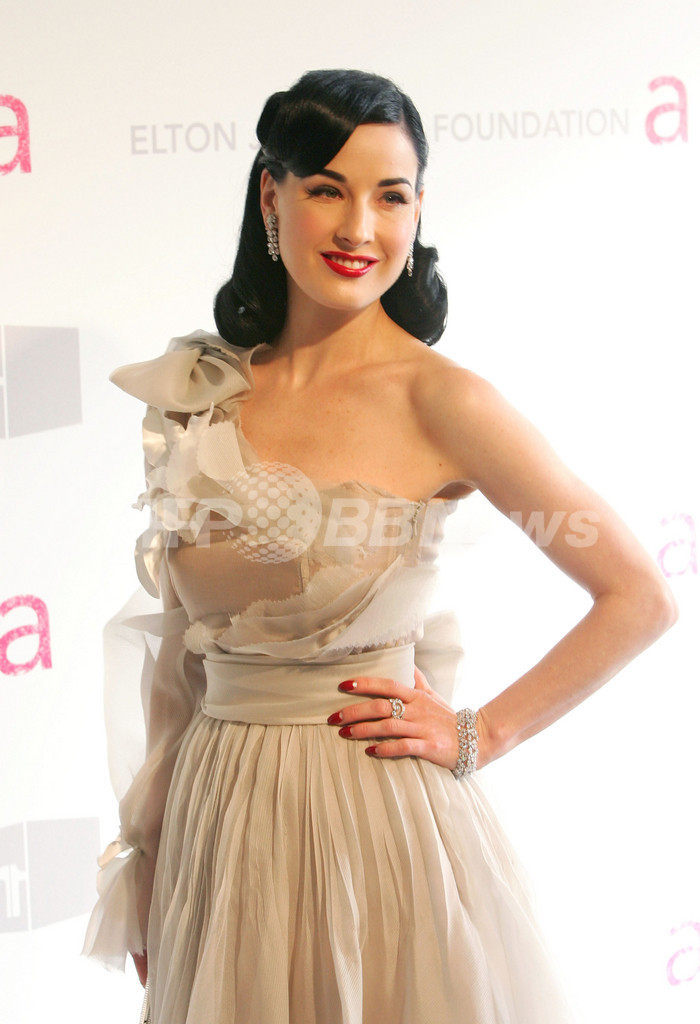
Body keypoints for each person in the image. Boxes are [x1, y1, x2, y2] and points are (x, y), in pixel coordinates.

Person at [83, 69, 677, 1023]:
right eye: (328, 189)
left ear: (418, 211)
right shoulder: (199, 391)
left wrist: (483, 733)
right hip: (217, 824)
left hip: (376, 823)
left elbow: (639, 597)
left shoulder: (444, 401)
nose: (359, 227)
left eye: (391, 196)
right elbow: (177, 657)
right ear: (271, 196)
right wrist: (147, 850)